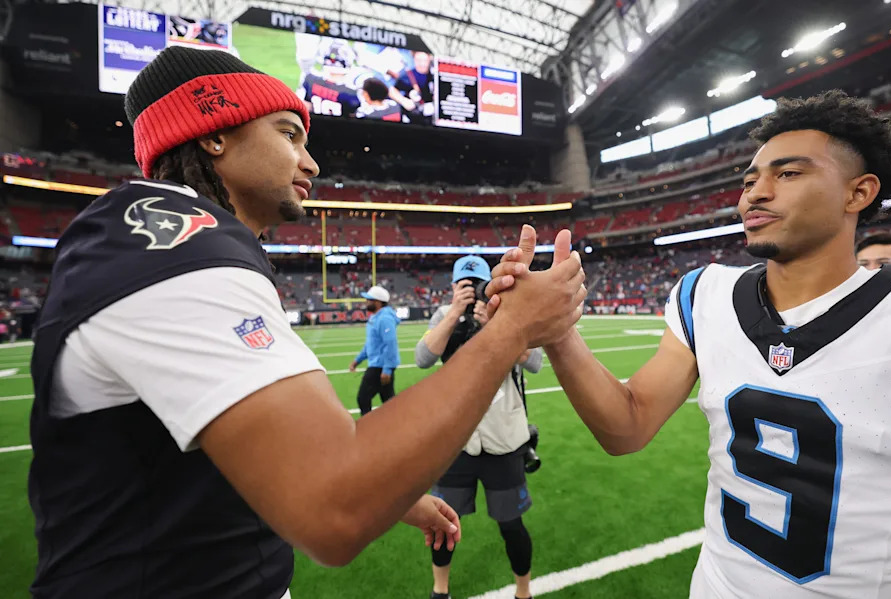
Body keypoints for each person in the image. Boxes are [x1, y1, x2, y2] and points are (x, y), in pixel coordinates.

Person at [27, 46, 587, 598]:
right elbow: (334, 508)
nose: (311, 162)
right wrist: (512, 330)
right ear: (215, 133)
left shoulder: (165, 240)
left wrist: (396, 492)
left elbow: (237, 445)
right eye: (288, 134)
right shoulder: (178, 249)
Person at [487, 90, 891, 598]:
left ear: (858, 192)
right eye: (750, 179)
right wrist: (558, 331)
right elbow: (626, 426)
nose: (755, 193)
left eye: (788, 173)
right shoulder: (705, 295)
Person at [415, 256, 543, 599]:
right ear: (454, 286)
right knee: (443, 523)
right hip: (457, 441)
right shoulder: (444, 314)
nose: (472, 291)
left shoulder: (508, 314)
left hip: (503, 439)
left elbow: (535, 363)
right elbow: (422, 358)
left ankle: (523, 592)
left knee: (511, 524)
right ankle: (440, 591)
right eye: (465, 285)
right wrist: (455, 312)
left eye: (478, 285)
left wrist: (495, 326)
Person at [349, 285, 401, 415]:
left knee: (363, 398)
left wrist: (387, 369)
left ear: (378, 302)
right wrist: (358, 360)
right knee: (388, 400)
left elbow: (390, 344)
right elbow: (371, 344)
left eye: (369, 299)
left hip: (380, 365)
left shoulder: (384, 319)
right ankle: (397, 425)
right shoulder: (376, 317)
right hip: (379, 364)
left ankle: (368, 428)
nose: (366, 302)